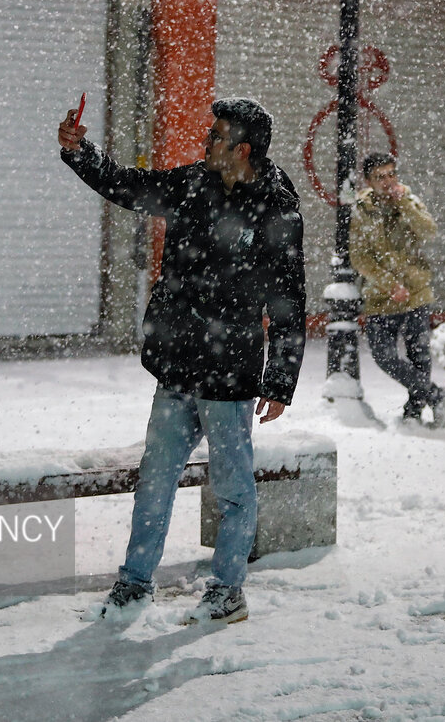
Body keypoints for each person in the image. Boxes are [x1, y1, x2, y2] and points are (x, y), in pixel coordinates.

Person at [59, 97, 305, 625]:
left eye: (214, 136)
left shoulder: (277, 208)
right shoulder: (193, 182)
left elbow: (289, 299)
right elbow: (129, 186)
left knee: (233, 488)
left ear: (241, 149)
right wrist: (83, 155)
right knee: (156, 476)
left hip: (230, 372)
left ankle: (227, 590)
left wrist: (280, 381)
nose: (205, 142)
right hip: (178, 363)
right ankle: (134, 582)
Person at [349, 152, 445, 426]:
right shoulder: (363, 210)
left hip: (416, 292)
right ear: (369, 181)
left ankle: (414, 413)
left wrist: (403, 203)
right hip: (381, 297)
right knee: (384, 356)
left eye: (391, 174)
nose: (387, 181)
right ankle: (436, 394)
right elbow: (359, 257)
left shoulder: (409, 200)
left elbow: (429, 231)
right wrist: (389, 284)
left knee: (419, 356)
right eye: (380, 177)